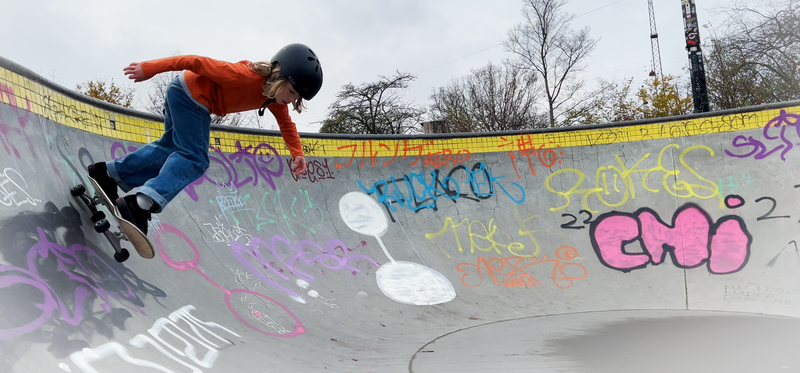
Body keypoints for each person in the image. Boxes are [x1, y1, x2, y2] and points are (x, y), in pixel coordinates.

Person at [88, 43, 323, 236]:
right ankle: (140, 204)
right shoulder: (242, 75)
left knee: (170, 149)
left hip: (183, 94)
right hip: (191, 97)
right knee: (195, 158)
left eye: (297, 97)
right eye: (291, 92)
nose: (291, 100)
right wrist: (149, 68)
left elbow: (287, 125)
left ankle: (108, 174)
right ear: (279, 77)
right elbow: (193, 61)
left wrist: (297, 153)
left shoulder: (274, 101)